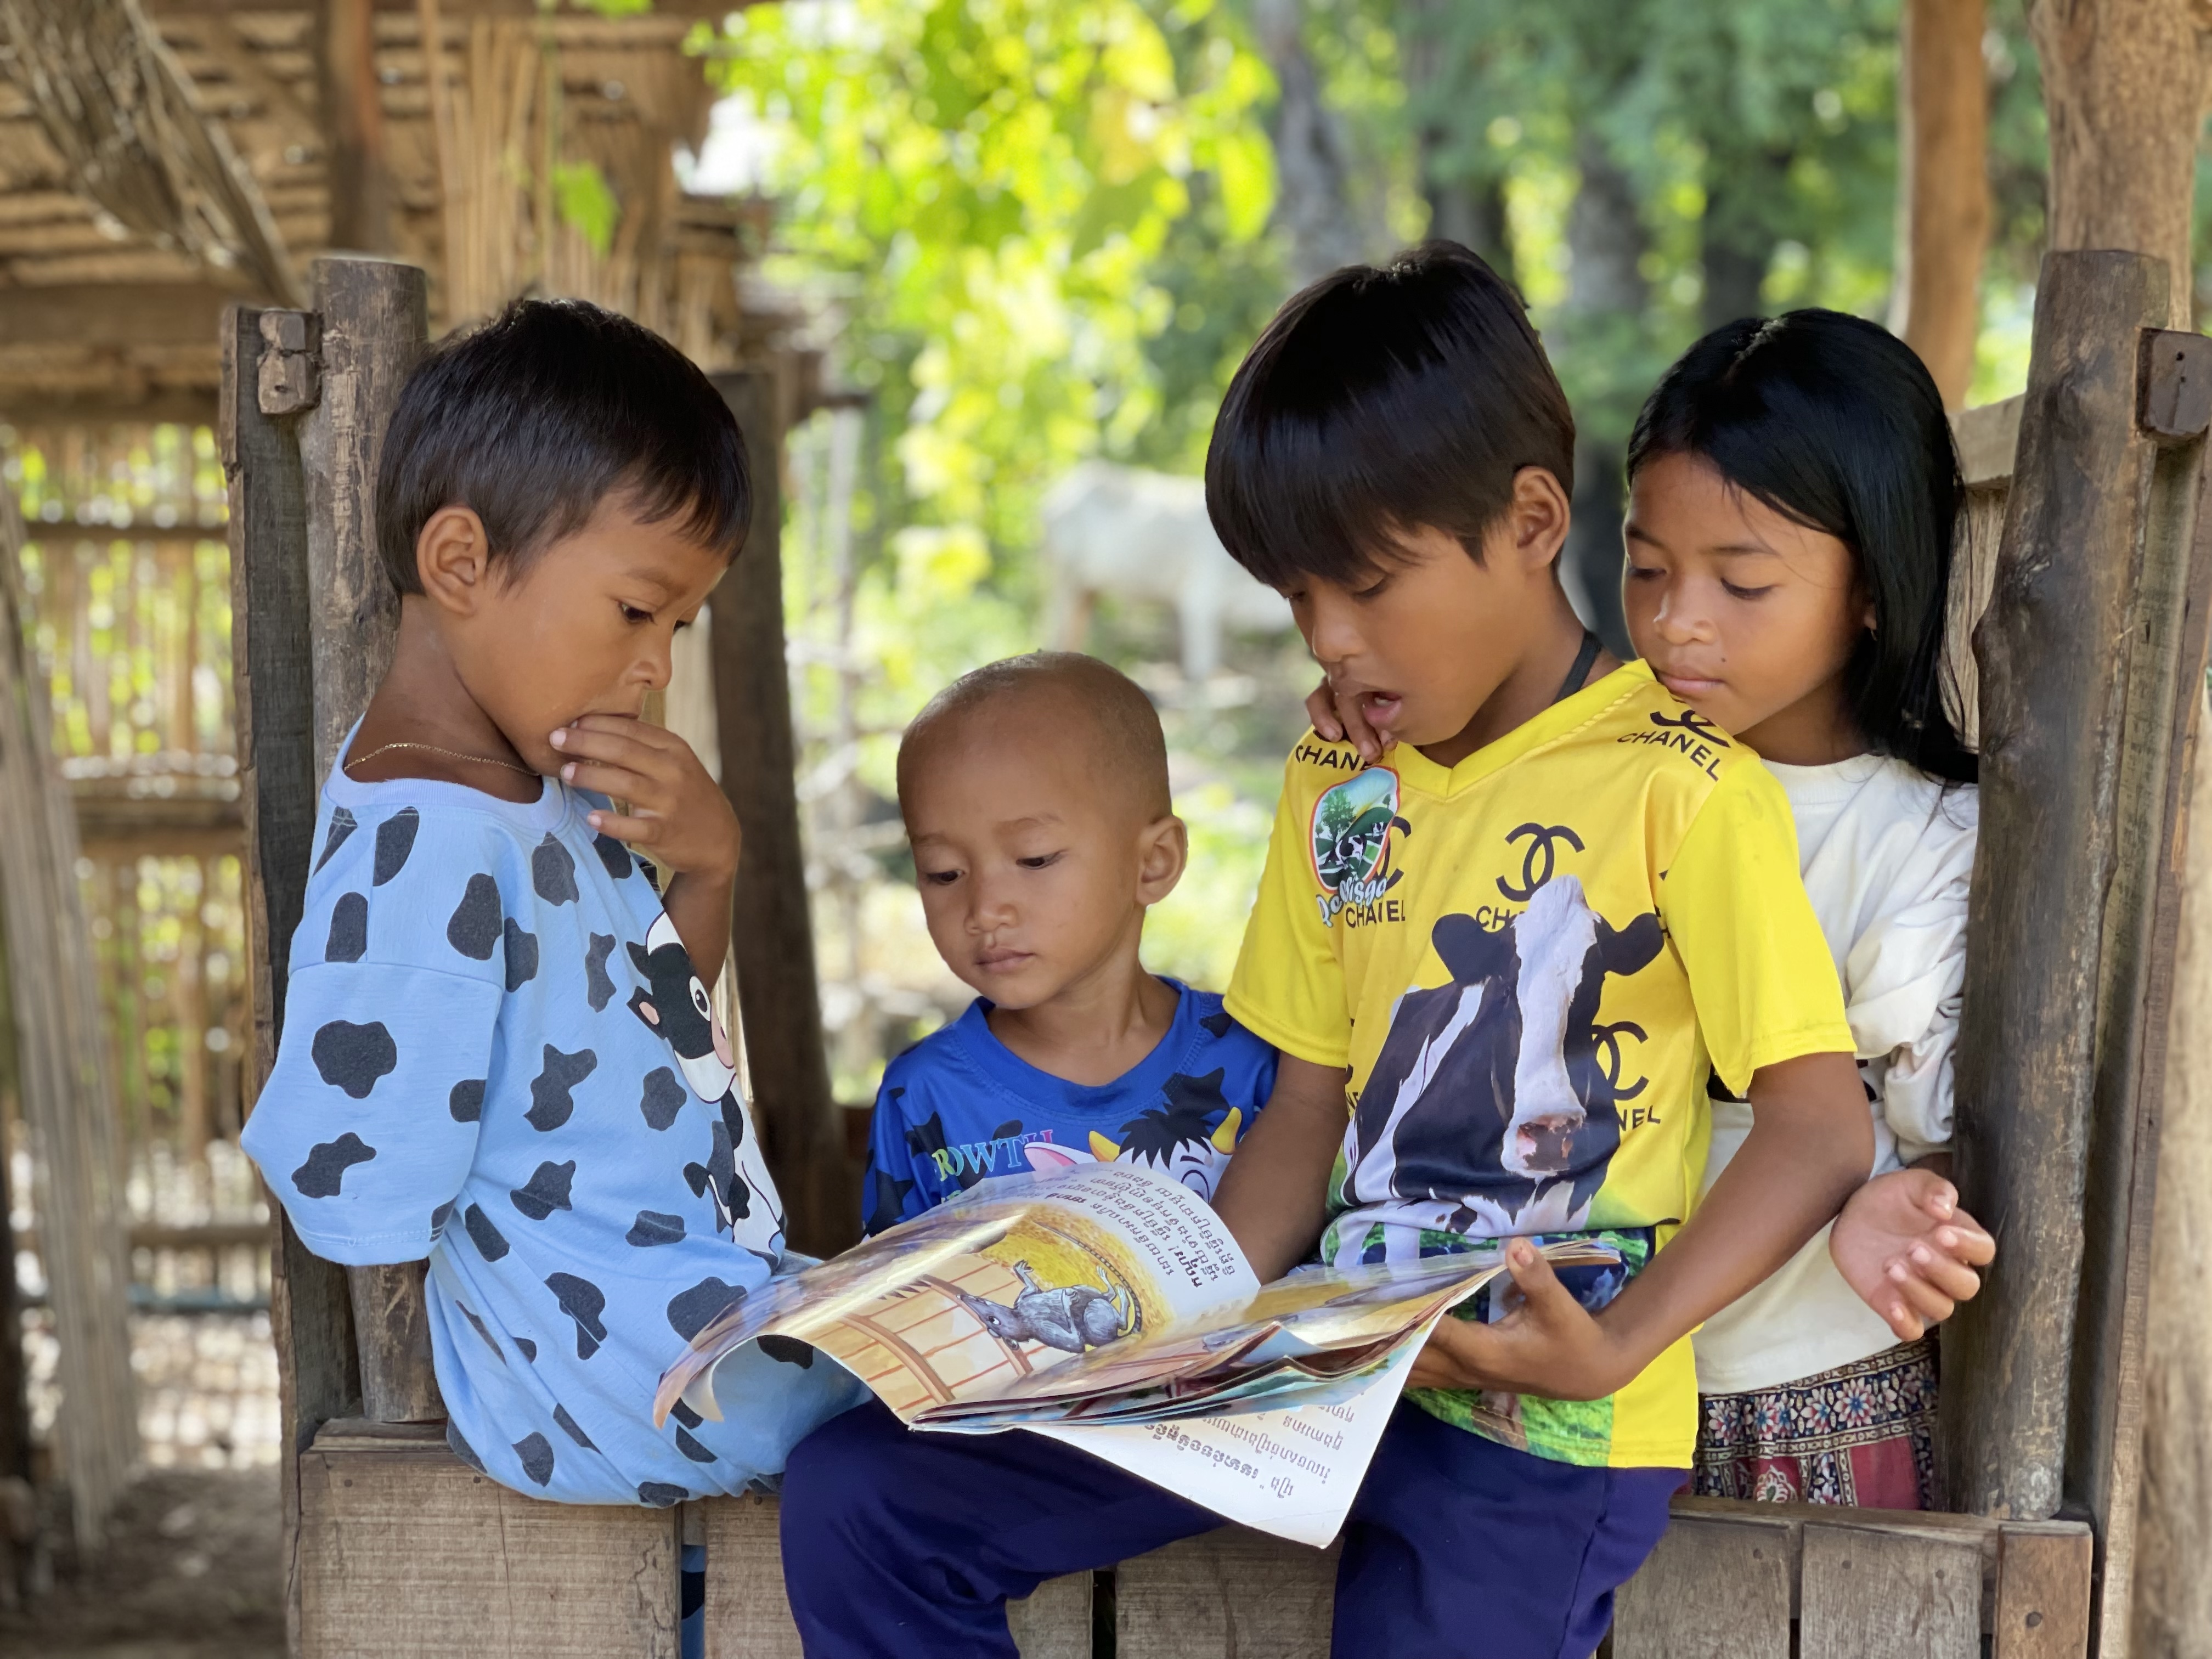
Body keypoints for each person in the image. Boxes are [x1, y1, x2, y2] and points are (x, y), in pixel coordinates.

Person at [777, 244, 1974, 1659]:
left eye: (1370, 587)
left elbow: (1820, 1126)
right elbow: (1306, 1103)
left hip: (1543, 1414)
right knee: (861, 1499)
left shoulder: (1681, 779)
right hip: (1322, 1369)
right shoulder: (1339, 780)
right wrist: (1167, 1329)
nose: (1333, 640)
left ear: (1533, 522)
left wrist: (1615, 1343)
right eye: (1298, 600)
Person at [238, 298, 867, 1514]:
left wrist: (709, 872)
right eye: (639, 610)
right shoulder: (432, 837)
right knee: (938, 1400)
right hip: (597, 1370)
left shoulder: (543, 797)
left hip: (682, 1308)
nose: (657, 665)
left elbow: (664, 1048)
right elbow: (347, 1179)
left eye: (681, 625)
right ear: (461, 563)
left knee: (939, 1351)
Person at [1617, 311, 1994, 1505]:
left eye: (1742, 582)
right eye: (1646, 568)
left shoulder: (1917, 840)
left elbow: (1946, 1134)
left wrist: (1894, 1193)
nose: (1680, 619)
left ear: (1874, 589)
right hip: (1585, 1401)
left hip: (1805, 1404)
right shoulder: (1598, 765)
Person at [859, 652, 1276, 1236]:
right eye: (944, 872)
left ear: (1152, 864)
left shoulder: (1253, 1062)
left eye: (1034, 859)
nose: (985, 910)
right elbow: (895, 1303)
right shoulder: (925, 1095)